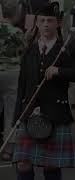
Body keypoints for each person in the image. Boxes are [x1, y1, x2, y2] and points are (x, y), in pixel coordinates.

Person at [12, 2, 75, 180]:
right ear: (37, 23)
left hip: (55, 114)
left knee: (51, 166)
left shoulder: (65, 50)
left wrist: (60, 71)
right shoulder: (29, 51)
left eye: (50, 21)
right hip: (28, 114)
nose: (46, 25)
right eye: (42, 21)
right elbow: (22, 86)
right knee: (22, 163)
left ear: (57, 23)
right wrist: (16, 118)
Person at [0, 0, 25, 161]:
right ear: (16, 13)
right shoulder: (17, 32)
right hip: (12, 73)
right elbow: (23, 53)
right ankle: (7, 149)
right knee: (11, 111)